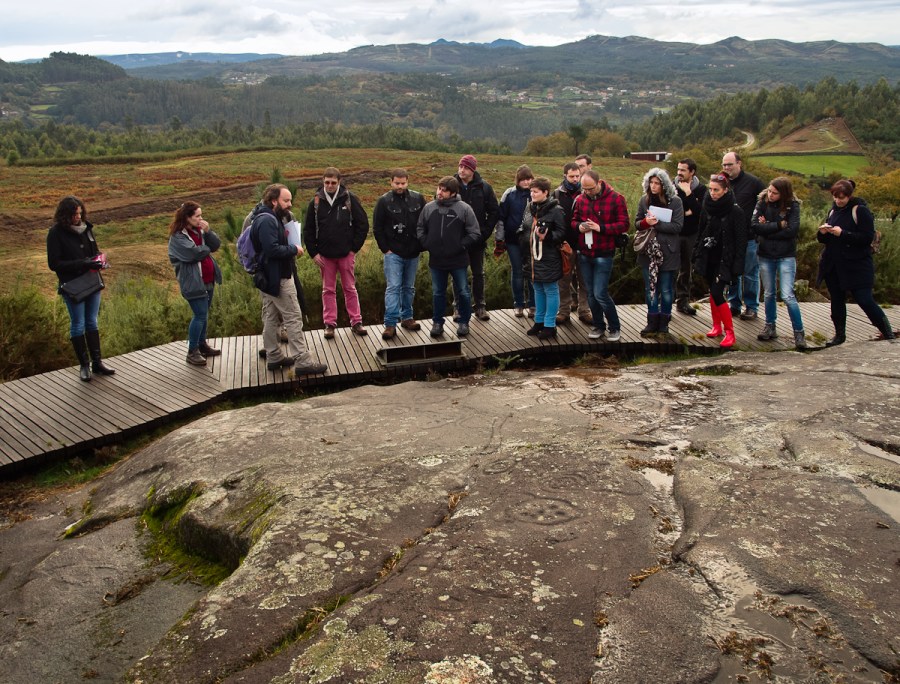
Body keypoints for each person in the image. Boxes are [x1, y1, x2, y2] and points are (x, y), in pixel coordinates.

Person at [251, 183, 327, 375]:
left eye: (290, 200)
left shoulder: (261, 217)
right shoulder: (268, 221)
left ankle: (274, 356)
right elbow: (272, 249)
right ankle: (303, 362)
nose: (290, 204)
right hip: (279, 277)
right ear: (274, 200)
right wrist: (294, 249)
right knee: (293, 317)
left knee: (270, 315)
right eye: (286, 200)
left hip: (268, 277)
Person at [817, 179, 895, 345]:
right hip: (834, 264)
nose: (838, 201)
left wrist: (843, 233)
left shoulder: (860, 211)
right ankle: (839, 335)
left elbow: (867, 237)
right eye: (835, 197)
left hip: (856, 265)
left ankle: (887, 333)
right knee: (837, 300)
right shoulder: (833, 211)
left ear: (850, 196)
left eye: (842, 198)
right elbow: (825, 240)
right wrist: (823, 232)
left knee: (864, 299)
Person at [46, 196, 115, 382]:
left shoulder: (87, 229)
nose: (78, 217)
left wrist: (99, 260)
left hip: (92, 281)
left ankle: (97, 363)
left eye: (80, 213)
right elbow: (54, 264)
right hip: (73, 285)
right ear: (65, 214)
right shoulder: (55, 233)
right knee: (78, 324)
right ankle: (84, 366)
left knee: (92, 322)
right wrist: (83, 263)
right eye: (74, 214)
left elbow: (94, 252)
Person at [303, 167, 370, 338]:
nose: (330, 185)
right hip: (325, 256)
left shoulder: (349, 199)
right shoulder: (316, 202)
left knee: (350, 288)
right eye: (327, 182)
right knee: (328, 290)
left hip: (346, 254)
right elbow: (308, 230)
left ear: (339, 182)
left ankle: (356, 322)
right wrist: (313, 253)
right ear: (323, 181)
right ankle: (330, 324)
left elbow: (363, 225)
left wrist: (354, 249)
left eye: (333, 182)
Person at [417, 176, 481, 338]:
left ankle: (464, 322)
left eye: (444, 190)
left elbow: (474, 232)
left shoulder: (464, 209)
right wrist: (427, 243)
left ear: (453, 193)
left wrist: (461, 245)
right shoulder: (429, 208)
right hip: (436, 260)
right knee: (438, 292)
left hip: (458, 260)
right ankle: (437, 323)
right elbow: (420, 228)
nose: (440, 192)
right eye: (439, 188)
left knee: (463, 292)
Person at [571, 169, 629, 342]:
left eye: (590, 188)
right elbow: (573, 221)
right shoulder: (580, 199)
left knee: (600, 293)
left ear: (599, 183)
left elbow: (624, 224)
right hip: (585, 252)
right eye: (584, 189)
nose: (587, 192)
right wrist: (579, 226)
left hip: (604, 253)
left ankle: (614, 327)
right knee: (589, 293)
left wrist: (600, 228)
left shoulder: (616, 198)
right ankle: (598, 325)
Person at [692, 174, 747, 349]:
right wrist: (696, 253)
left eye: (717, 190)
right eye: (711, 189)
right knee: (712, 292)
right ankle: (717, 326)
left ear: (725, 190)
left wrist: (738, 265)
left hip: (725, 259)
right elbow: (700, 231)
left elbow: (741, 241)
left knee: (717, 292)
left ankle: (730, 331)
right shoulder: (707, 207)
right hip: (709, 256)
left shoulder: (735, 211)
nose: (713, 193)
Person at [752, 177, 807, 349]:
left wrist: (767, 227)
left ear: (783, 193)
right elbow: (754, 226)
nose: (770, 195)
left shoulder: (793, 206)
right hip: (765, 254)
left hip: (785, 255)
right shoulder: (762, 202)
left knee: (788, 295)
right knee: (768, 293)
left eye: (775, 193)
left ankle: (799, 332)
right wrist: (778, 226)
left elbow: (792, 230)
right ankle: (770, 326)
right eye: (769, 191)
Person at [167, 202, 222, 366]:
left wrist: (208, 232)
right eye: (197, 216)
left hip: (207, 279)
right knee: (199, 315)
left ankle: (202, 344)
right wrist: (206, 247)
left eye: (201, 215)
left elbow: (216, 245)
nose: (201, 219)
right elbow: (194, 254)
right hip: (193, 282)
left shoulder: (200, 231)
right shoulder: (177, 237)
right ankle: (192, 351)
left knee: (204, 314)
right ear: (187, 217)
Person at [373, 169, 426, 340]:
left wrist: (421, 244)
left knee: (409, 287)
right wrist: (385, 249)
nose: (400, 186)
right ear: (391, 182)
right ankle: (390, 324)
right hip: (393, 252)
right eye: (397, 183)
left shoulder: (418, 199)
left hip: (413, 251)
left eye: (403, 183)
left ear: (408, 182)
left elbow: (425, 222)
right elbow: (377, 227)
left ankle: (407, 318)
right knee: (394, 287)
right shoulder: (383, 201)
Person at [634, 168, 684, 336]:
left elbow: (678, 226)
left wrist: (656, 224)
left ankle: (664, 323)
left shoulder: (675, 201)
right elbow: (637, 223)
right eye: (651, 183)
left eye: (657, 183)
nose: (654, 186)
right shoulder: (644, 200)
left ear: (664, 185)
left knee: (666, 289)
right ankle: (652, 321)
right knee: (650, 289)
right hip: (648, 252)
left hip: (668, 251)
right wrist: (646, 222)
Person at [454, 154, 499, 321]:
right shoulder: (451, 185)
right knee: (458, 273)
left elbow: (494, 211)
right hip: (457, 240)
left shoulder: (484, 187)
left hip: (477, 240)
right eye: (460, 166)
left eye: (465, 167)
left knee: (478, 273)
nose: (461, 170)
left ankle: (480, 306)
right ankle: (458, 307)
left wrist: (484, 233)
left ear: (473, 170)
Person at [521, 177, 567, 340]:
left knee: (550, 289)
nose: (531, 194)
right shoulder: (529, 208)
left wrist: (546, 237)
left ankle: (550, 325)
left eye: (535, 191)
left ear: (545, 192)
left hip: (549, 256)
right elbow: (525, 227)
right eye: (531, 191)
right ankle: (539, 321)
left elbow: (562, 233)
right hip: (532, 256)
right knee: (538, 289)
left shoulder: (556, 210)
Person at [721, 151, 765, 320]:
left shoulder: (754, 183)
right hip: (729, 237)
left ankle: (752, 307)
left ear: (739, 163)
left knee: (750, 272)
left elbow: (766, 202)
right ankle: (734, 304)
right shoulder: (722, 183)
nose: (726, 168)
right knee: (733, 272)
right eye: (724, 165)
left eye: (730, 164)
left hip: (749, 236)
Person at [553, 162, 592, 325]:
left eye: (577, 176)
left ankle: (584, 310)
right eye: (572, 176)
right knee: (564, 280)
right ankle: (564, 311)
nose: (575, 179)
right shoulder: (557, 194)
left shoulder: (586, 192)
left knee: (585, 280)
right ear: (565, 176)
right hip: (564, 243)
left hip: (584, 242)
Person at [496, 164, 534, 317]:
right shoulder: (509, 194)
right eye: (523, 179)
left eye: (529, 179)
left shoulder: (536, 192)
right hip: (513, 240)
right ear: (518, 180)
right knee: (517, 271)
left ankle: (533, 305)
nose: (526, 182)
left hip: (532, 240)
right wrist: (499, 239)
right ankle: (518, 304)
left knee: (532, 273)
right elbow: (501, 217)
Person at [674, 158, 707, 315]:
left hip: (691, 234)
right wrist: (686, 211)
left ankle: (683, 301)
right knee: (667, 268)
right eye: (678, 169)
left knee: (686, 269)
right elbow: (671, 210)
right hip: (673, 233)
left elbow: (700, 213)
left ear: (692, 172)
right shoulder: (671, 187)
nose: (679, 173)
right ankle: (664, 303)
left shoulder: (701, 190)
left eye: (683, 170)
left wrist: (688, 193)